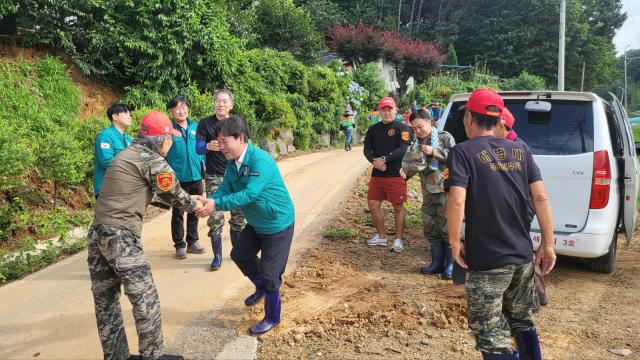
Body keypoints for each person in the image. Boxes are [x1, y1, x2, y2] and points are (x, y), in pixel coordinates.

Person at [445, 88, 556, 360]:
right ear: (497, 120)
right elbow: (540, 196)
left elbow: (457, 200)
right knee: (522, 318)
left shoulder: (462, 152)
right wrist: (548, 244)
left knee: (490, 329)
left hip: (488, 258)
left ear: (469, 117)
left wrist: (453, 241)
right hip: (522, 256)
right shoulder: (521, 150)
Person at [88, 111, 204, 360]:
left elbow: (150, 192)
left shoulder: (127, 153)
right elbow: (173, 192)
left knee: (106, 302)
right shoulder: (151, 159)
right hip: (121, 238)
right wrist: (195, 205)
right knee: (146, 300)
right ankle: (153, 355)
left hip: (98, 233)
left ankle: (116, 355)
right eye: (169, 139)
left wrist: (184, 199)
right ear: (159, 139)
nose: (171, 143)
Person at [196, 115, 295, 335]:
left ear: (240, 138)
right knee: (240, 255)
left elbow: (249, 194)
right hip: (257, 222)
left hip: (277, 224)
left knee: (271, 275)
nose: (220, 147)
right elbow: (226, 187)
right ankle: (261, 286)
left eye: (224, 142)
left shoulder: (260, 161)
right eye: (218, 142)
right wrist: (210, 199)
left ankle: (272, 316)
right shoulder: (233, 163)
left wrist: (216, 204)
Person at [497, 107, 550, 308]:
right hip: (514, 208)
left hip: (518, 209)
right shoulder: (510, 144)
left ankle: (536, 296)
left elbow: (536, 193)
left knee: (521, 254)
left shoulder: (517, 148)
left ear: (501, 126)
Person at [401, 109, 456, 278]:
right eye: (414, 128)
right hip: (427, 192)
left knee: (447, 227)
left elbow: (455, 157)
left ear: (429, 122)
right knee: (430, 227)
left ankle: (451, 267)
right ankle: (436, 264)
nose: (418, 131)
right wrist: (405, 172)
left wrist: (434, 151)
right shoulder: (415, 144)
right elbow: (411, 164)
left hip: (445, 190)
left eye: (420, 126)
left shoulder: (444, 137)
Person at [196, 89, 247, 270]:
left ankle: (238, 253)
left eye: (225, 101)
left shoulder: (237, 123)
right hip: (214, 176)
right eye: (218, 101)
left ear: (231, 105)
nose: (221, 104)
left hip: (236, 175)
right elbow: (199, 148)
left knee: (239, 215)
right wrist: (208, 146)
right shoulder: (205, 123)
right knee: (215, 216)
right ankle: (217, 256)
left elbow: (246, 145)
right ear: (214, 103)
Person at [363, 96, 411, 252]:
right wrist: (374, 161)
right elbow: (366, 149)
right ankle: (382, 237)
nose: (386, 112)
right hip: (377, 174)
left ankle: (398, 240)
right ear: (379, 112)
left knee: (398, 206)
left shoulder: (402, 128)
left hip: (396, 174)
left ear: (395, 110)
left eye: (389, 109)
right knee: (373, 204)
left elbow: (403, 149)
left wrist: (384, 159)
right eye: (383, 109)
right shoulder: (373, 129)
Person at [165, 95, 206, 259]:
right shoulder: (168, 129)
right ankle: (179, 245)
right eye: (177, 108)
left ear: (188, 109)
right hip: (178, 178)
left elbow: (203, 151)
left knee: (195, 209)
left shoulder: (196, 127)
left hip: (196, 176)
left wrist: (204, 170)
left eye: (183, 107)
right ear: (171, 111)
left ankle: (193, 241)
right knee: (178, 212)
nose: (181, 111)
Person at [94, 103, 133, 197]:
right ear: (115, 116)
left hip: (124, 190)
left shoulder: (128, 139)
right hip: (109, 191)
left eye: (130, 114)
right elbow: (107, 161)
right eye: (125, 113)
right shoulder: (105, 136)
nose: (129, 116)